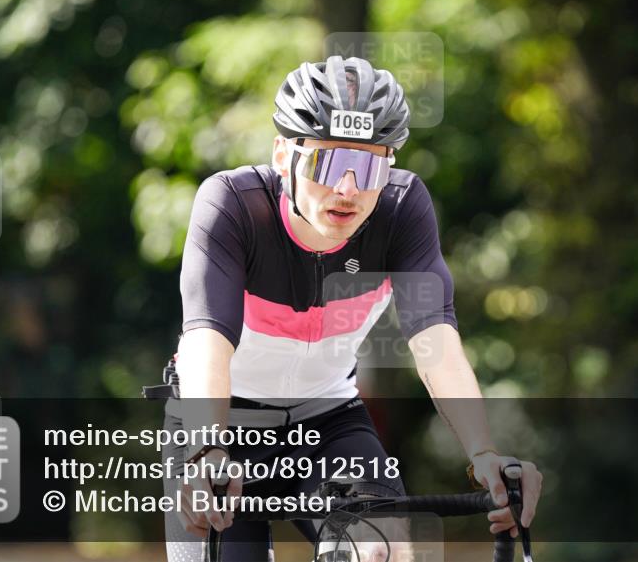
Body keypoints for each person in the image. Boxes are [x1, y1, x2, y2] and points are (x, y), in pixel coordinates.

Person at [163, 55, 543, 562]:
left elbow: (436, 344)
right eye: (326, 162)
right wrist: (204, 451)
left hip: (329, 423)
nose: (347, 189)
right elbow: (206, 340)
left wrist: (484, 454)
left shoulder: (402, 209)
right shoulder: (232, 205)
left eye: (368, 166)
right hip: (221, 423)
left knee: (379, 550)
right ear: (283, 154)